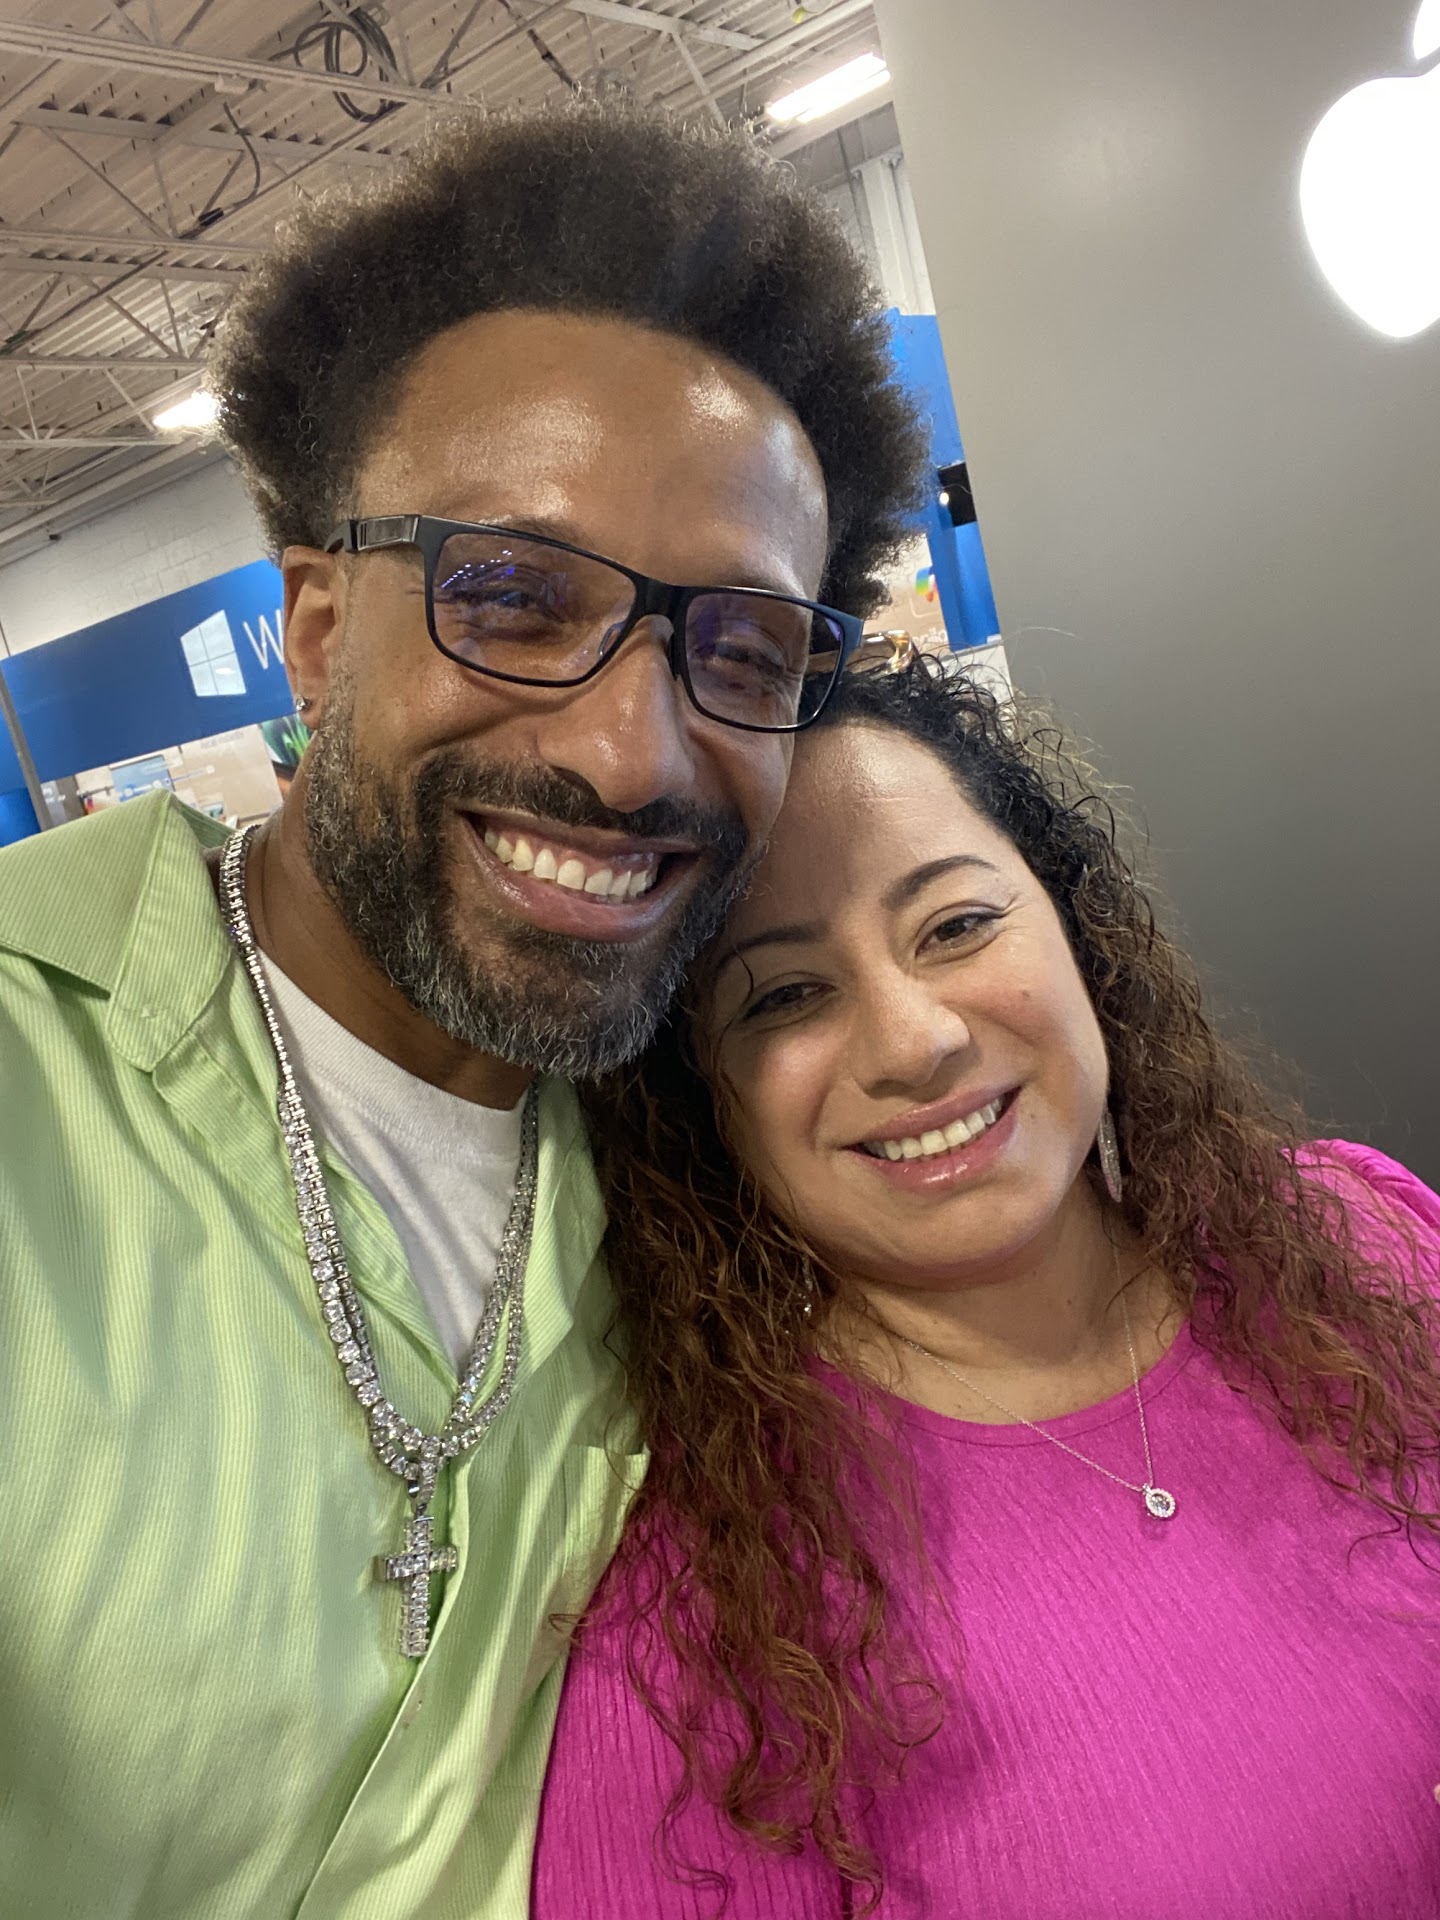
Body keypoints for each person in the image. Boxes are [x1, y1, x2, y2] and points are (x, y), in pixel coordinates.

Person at [0, 103, 925, 1918]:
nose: (630, 753)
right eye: (510, 598)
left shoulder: (719, 1147)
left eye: (741, 651)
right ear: (318, 632)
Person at [532, 656, 1440, 1918]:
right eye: (786, 996)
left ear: (1074, 922)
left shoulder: (1367, 1236)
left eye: (956, 926)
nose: (919, 1042)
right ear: (706, 1108)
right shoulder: (706, 1626)